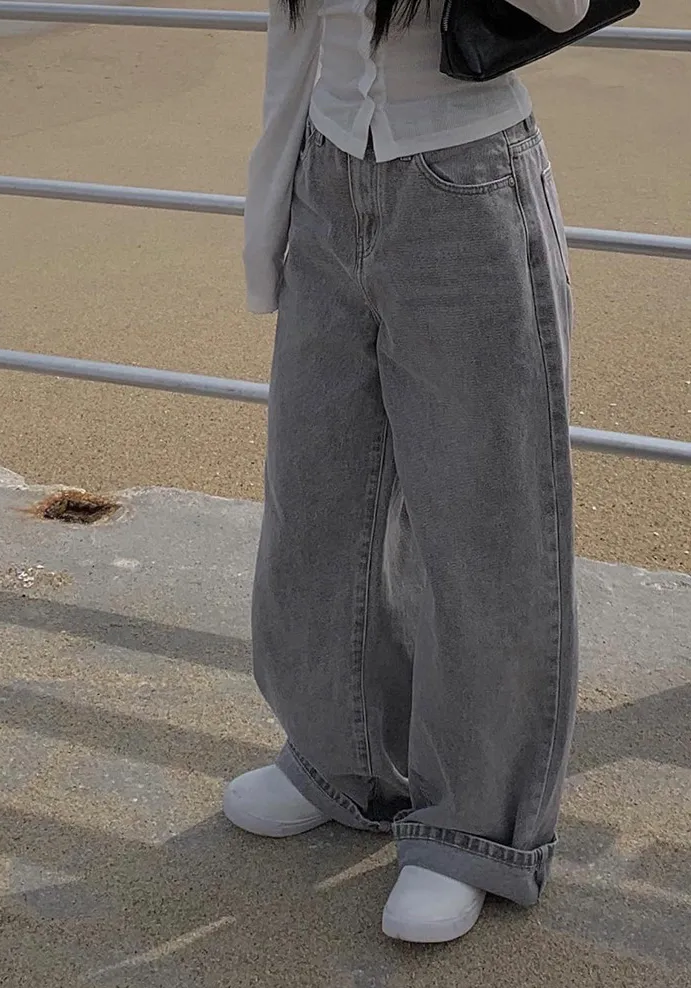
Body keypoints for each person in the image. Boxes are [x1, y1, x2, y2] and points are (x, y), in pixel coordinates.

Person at [224, 0, 589, 943]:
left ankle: (472, 830)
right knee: (314, 497)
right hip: (325, 173)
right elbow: (295, 40)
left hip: (463, 178)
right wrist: (269, 220)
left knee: (484, 525)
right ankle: (341, 759)